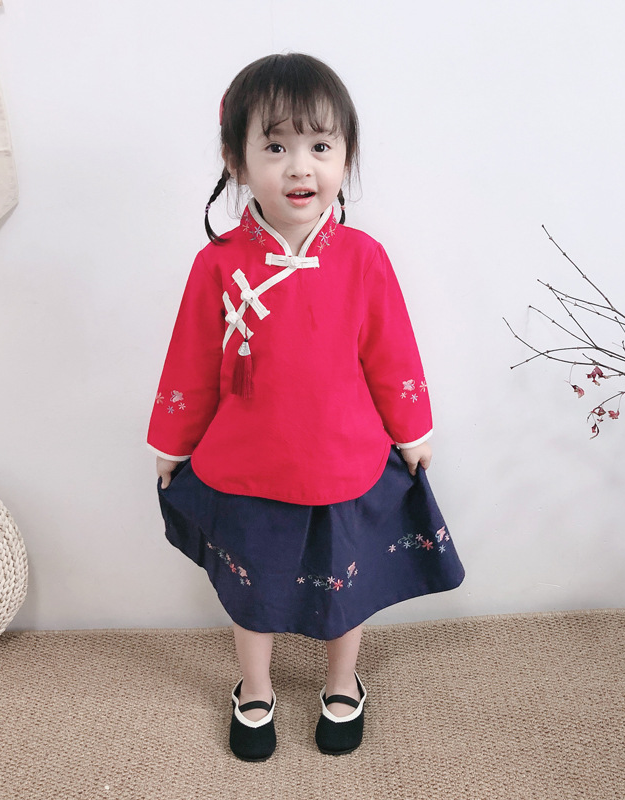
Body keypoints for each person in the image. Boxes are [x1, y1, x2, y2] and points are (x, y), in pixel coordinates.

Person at [148, 53, 464, 762]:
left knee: (346, 589)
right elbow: (190, 363)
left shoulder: (364, 257)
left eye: (321, 146)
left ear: (346, 156)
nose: (301, 168)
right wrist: (173, 442)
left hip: (345, 462)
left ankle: (343, 683)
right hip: (246, 466)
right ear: (235, 159)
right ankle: (255, 689)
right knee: (250, 591)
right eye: (276, 147)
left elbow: (392, 355)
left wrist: (412, 431)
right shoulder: (217, 264)